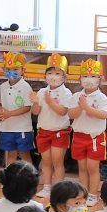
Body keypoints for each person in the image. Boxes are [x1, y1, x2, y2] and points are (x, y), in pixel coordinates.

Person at [67, 59, 107, 206]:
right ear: (80, 78)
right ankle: (83, 193)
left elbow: (104, 114)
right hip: (79, 136)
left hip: (95, 137)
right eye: (85, 76)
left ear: (100, 79)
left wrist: (86, 107)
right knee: (82, 167)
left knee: (93, 167)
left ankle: (93, 194)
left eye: (93, 76)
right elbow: (71, 115)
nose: (88, 79)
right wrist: (81, 106)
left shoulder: (101, 97)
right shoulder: (76, 96)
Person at [30, 54, 72, 198]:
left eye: (57, 73)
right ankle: (47, 187)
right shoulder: (42, 91)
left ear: (64, 77)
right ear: (45, 76)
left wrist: (49, 101)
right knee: (46, 161)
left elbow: (63, 111)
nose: (53, 76)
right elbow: (35, 112)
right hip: (43, 131)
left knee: (57, 161)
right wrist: (35, 102)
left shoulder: (66, 93)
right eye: (50, 73)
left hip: (59, 131)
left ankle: (58, 190)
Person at [0, 52, 34, 167]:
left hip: (22, 128)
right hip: (7, 127)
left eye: (16, 69)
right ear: (3, 69)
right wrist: (0, 111)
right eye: (8, 69)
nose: (12, 72)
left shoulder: (26, 87)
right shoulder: (2, 86)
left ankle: (31, 177)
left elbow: (27, 107)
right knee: (10, 154)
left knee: (24, 154)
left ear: (23, 70)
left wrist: (9, 114)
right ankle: (9, 179)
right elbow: (0, 104)